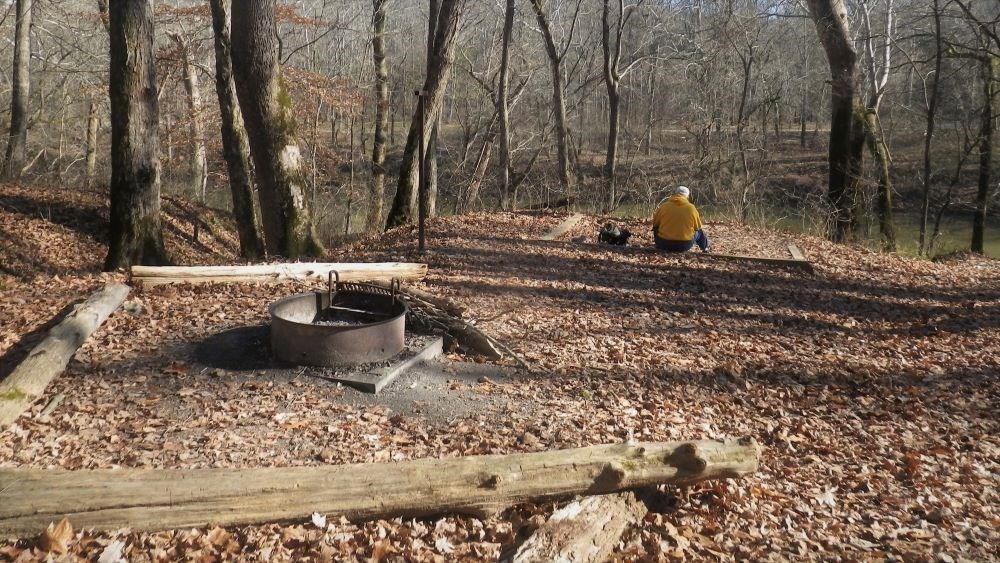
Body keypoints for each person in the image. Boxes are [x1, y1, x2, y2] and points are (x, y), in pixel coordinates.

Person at [651, 186, 710, 252]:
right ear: (687, 197)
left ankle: (658, 245)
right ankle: (705, 248)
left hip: (663, 244)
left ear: (675, 194)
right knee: (699, 231)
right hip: (684, 245)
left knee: (656, 228)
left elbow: (655, 224)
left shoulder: (664, 206)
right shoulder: (691, 208)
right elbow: (697, 227)